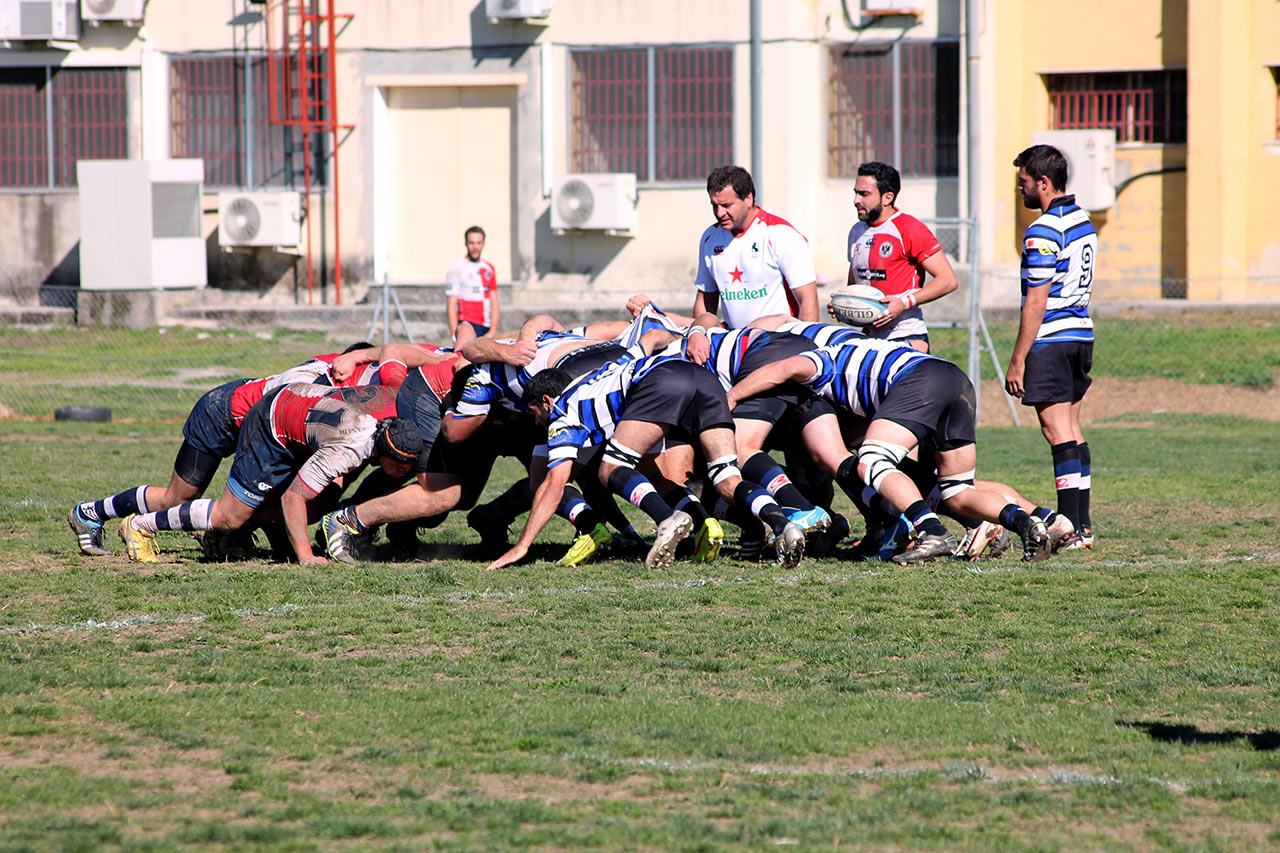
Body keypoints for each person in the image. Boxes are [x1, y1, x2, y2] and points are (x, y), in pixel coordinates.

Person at [726, 338, 1058, 564]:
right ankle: (1028, 526)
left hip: (919, 380)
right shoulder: (860, 358)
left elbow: (780, 369)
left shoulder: (821, 360)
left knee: (871, 462)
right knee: (957, 491)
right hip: (954, 379)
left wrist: (732, 398)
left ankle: (932, 530)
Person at [117, 383, 422, 565]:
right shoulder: (348, 450)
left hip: (289, 410)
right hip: (270, 426)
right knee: (229, 514)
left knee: (317, 503)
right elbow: (292, 498)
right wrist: (306, 557)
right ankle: (141, 525)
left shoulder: (373, 429)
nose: (403, 473)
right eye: (401, 466)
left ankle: (218, 533)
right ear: (383, 452)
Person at [1005, 144, 1096, 550]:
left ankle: (1071, 528)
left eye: (1023, 182)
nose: (1019, 190)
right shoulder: (1082, 219)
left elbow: (1036, 301)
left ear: (1043, 182)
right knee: (1072, 428)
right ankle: (1084, 525)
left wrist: (1018, 359)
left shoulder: (1042, 231)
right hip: (1081, 333)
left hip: (1054, 338)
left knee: (1055, 429)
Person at [845, 161, 958, 352]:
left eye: (864, 194)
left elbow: (948, 281)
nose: (856, 200)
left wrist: (904, 303)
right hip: (868, 339)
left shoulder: (910, 229)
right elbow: (855, 284)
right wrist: (844, 303)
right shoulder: (856, 231)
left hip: (905, 336)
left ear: (887, 197)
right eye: (855, 192)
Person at [692, 165, 819, 333]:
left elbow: (808, 301)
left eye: (726, 205)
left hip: (779, 341)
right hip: (734, 344)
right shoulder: (710, 238)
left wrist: (805, 345)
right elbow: (705, 301)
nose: (719, 213)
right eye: (714, 205)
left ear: (749, 199)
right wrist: (699, 336)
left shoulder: (780, 234)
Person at [445, 225, 499, 340]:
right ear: (466, 244)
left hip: (486, 327)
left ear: (483, 244)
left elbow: (494, 301)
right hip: (467, 326)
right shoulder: (456, 269)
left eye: (478, 243)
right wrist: (455, 334)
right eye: (472, 243)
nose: (475, 247)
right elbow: (451, 304)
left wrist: (493, 330)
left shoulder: (489, 268)